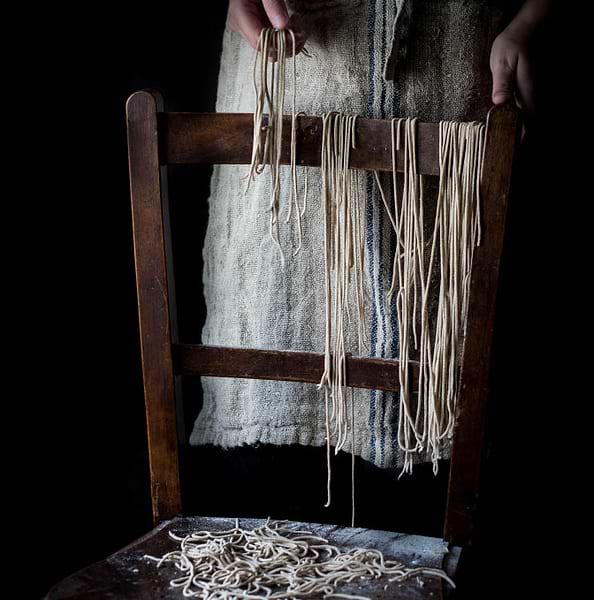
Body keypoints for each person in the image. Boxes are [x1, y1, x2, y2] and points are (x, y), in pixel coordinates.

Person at [185, 0, 553, 531]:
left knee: (446, 425)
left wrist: (528, 23)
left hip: (457, 79)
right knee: (271, 455)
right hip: (293, 83)